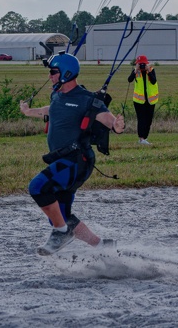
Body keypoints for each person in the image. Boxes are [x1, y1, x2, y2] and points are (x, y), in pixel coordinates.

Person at [20, 52, 125, 255]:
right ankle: (104, 247)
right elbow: (51, 109)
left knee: (38, 187)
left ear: (66, 73)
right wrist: (29, 111)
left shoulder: (87, 100)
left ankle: (61, 233)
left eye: (53, 72)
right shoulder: (57, 94)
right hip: (63, 160)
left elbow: (107, 118)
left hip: (77, 161)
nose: (49, 76)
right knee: (61, 213)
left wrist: (116, 126)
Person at [128, 54, 158, 145]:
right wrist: (135, 70)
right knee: (141, 119)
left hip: (150, 100)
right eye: (140, 64)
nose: (142, 66)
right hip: (139, 100)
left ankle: (145, 138)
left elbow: (153, 81)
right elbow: (129, 80)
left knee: (149, 119)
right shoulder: (136, 72)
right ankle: (141, 138)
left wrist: (148, 71)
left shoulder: (151, 70)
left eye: (143, 64)